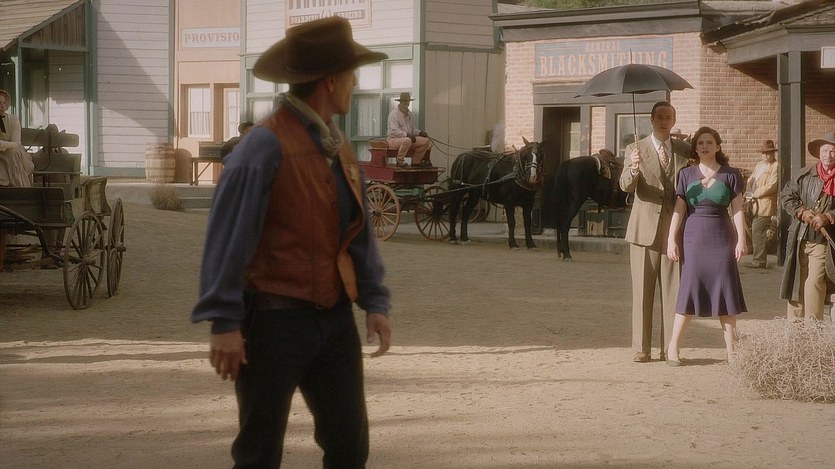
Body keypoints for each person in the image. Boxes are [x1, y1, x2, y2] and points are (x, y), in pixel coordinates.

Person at [191, 17, 392, 468]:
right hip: (272, 324)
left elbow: (357, 233)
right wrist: (224, 322)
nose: (355, 84)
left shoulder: (336, 144)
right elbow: (228, 238)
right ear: (331, 80)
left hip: (334, 321)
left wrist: (374, 301)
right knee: (259, 454)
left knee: (349, 448)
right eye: (352, 74)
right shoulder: (262, 147)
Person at [666, 127, 747, 365]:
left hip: (722, 238)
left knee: (726, 290)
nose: (704, 146)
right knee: (689, 288)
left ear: (718, 146)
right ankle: (673, 347)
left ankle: (732, 351)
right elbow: (679, 209)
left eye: (709, 142)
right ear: (695, 148)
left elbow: (738, 210)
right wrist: (671, 239)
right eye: (700, 143)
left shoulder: (731, 174)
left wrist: (741, 239)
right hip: (693, 238)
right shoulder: (685, 174)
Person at [619, 101, 691, 363]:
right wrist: (633, 167)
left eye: (668, 117)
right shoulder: (634, 149)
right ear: (651, 120)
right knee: (642, 291)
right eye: (659, 117)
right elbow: (625, 186)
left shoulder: (684, 150)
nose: (663, 121)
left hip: (675, 231)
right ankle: (642, 348)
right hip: (643, 230)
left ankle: (670, 348)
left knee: (674, 290)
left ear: (674, 121)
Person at [780, 132, 835, 321]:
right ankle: (794, 330)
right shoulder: (804, 175)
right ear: (819, 153)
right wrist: (801, 212)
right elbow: (786, 196)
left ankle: (813, 329)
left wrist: (828, 216)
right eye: (825, 151)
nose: (828, 155)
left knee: (814, 282)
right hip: (800, 237)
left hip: (823, 242)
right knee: (797, 280)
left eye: (833, 151)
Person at [745, 139, 779, 268]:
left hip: (765, 204)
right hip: (754, 204)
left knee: (758, 230)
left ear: (773, 153)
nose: (766, 155)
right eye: (764, 153)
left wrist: (754, 193)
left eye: (769, 153)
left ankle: (759, 261)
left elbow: (772, 185)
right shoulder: (759, 165)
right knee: (756, 231)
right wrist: (748, 191)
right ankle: (758, 259)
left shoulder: (775, 166)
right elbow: (751, 180)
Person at [386, 92, 432, 167]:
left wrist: (420, 133)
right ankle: (400, 162)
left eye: (407, 101)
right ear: (400, 102)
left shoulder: (410, 114)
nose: (406, 103)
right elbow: (394, 131)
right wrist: (407, 135)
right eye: (404, 101)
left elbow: (412, 130)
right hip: (393, 140)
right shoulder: (394, 114)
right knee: (407, 140)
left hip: (407, 139)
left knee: (426, 141)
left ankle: (416, 162)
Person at [0, 89, 34, 187]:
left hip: (14, 153)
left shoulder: (13, 120)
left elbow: (16, 143)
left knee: (14, 153)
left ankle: (21, 187)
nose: (2, 106)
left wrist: (2, 144)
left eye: (4, 103)